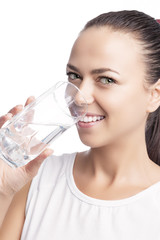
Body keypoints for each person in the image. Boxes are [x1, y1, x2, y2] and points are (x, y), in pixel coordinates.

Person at [0, 10, 160, 240]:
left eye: (106, 79)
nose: (79, 97)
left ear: (154, 95)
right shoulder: (33, 179)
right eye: (74, 76)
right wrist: (3, 189)